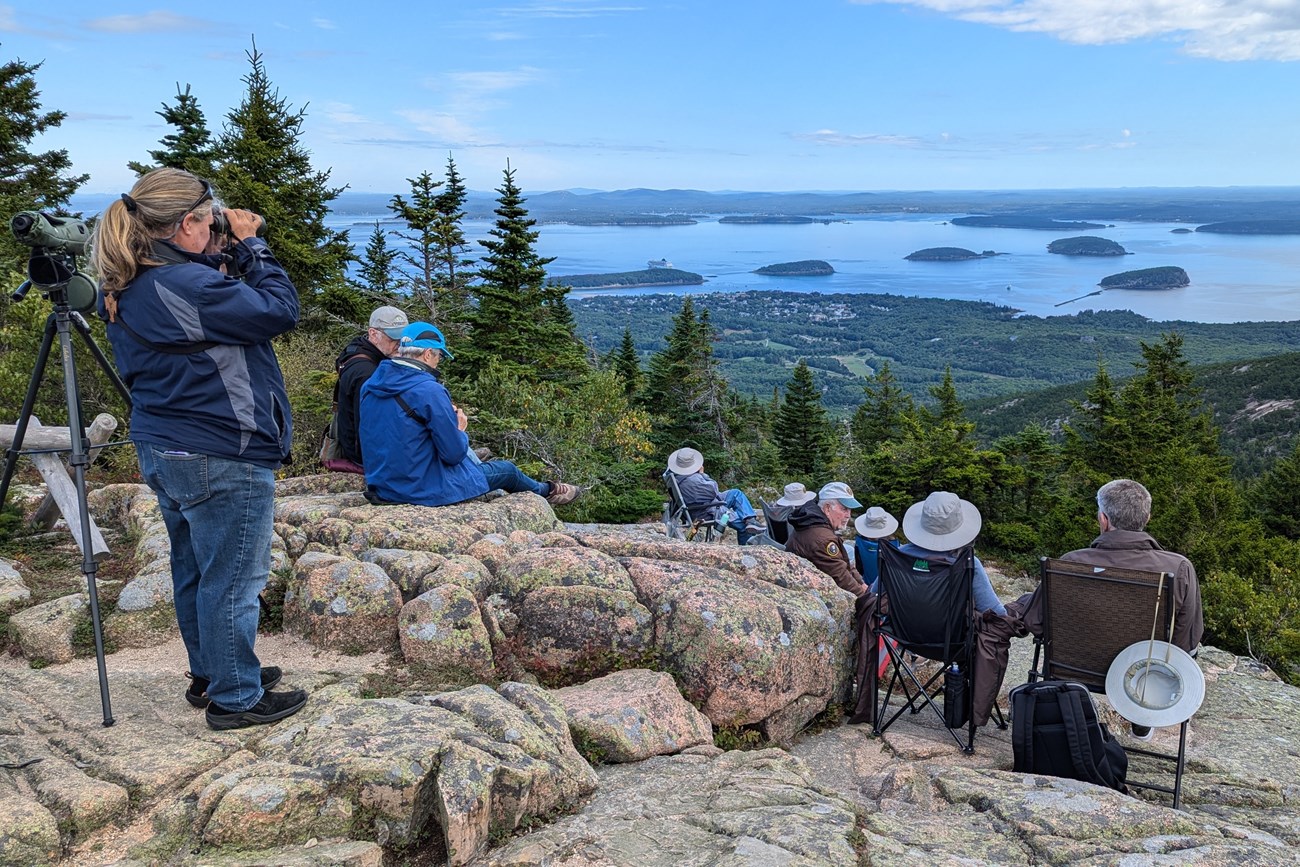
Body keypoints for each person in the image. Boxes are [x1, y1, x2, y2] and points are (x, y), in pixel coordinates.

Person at [91, 168, 306, 731]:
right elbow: (279, 311)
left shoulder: (133, 282)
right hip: (219, 449)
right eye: (209, 220)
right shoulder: (183, 286)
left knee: (195, 567)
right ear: (185, 222)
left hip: (167, 446)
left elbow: (207, 295)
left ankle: (213, 672)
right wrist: (253, 244)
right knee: (234, 576)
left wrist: (222, 252)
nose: (217, 228)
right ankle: (236, 697)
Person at [359, 322, 581, 507]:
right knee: (508, 471)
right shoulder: (429, 390)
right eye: (439, 356)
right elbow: (453, 454)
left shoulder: (371, 385)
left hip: (384, 484)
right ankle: (547, 491)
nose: (439, 362)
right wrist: (459, 430)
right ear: (427, 354)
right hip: (420, 489)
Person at [899, 491, 1006, 615]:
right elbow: (995, 612)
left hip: (899, 631)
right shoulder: (967, 562)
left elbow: (875, 593)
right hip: (952, 633)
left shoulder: (899, 555)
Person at [328, 305, 408, 471]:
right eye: (393, 338)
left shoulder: (356, 350)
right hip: (364, 454)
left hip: (352, 445)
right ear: (373, 333)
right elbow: (370, 426)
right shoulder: (367, 373)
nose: (399, 345)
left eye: (403, 339)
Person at [787, 481, 869, 598]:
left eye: (850, 510)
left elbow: (844, 563)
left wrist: (861, 583)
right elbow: (840, 577)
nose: (848, 515)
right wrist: (866, 599)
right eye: (844, 509)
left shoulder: (812, 521)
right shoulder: (823, 540)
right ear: (827, 508)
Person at [665, 447, 762, 544]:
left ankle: (750, 520)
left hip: (698, 505)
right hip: (706, 510)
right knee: (742, 526)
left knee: (735, 493)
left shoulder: (673, 476)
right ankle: (745, 550)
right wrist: (702, 474)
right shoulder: (693, 480)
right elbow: (714, 490)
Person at [854, 506, 900, 593]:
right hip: (888, 589)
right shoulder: (894, 545)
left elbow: (859, 569)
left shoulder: (859, 544)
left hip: (867, 586)